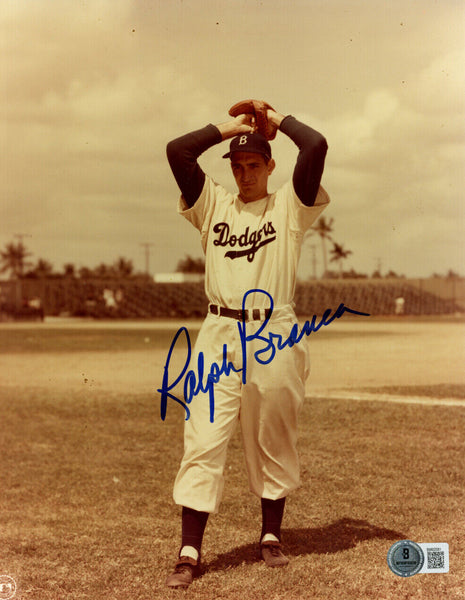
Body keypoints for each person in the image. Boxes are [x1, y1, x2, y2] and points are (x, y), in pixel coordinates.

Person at [165, 101, 330, 588]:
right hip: (219, 331)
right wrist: (227, 130)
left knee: (273, 435)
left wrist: (277, 123)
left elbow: (316, 145)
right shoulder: (214, 203)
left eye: (253, 164)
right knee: (203, 436)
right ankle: (190, 549)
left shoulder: (290, 205)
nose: (244, 174)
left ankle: (271, 537)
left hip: (272, 330)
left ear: (270, 165)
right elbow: (177, 152)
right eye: (237, 167)